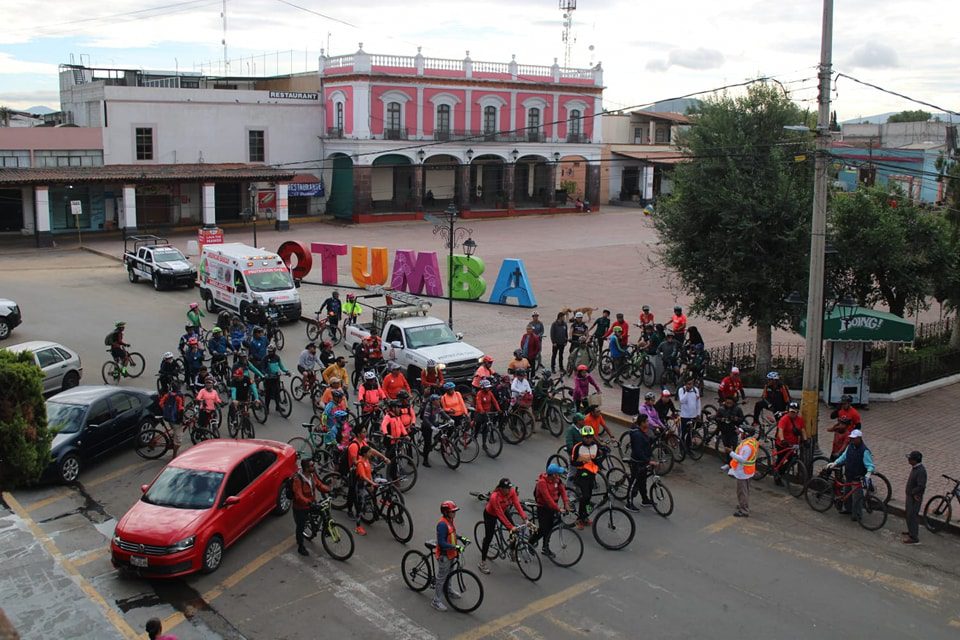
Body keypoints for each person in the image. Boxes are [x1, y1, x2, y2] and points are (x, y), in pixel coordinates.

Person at [478, 478, 527, 574]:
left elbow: (517, 504)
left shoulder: (511, 491)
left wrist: (525, 518)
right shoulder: (494, 497)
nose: (509, 490)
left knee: (514, 532)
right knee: (489, 538)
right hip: (491, 515)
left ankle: (512, 552)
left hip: (504, 511)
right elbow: (499, 514)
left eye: (510, 488)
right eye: (507, 488)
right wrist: (510, 527)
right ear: (501, 489)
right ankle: (482, 563)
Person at [826, 430, 875, 521]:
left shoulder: (865, 451)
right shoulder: (850, 447)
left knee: (857, 497)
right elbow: (844, 457)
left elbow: (870, 465)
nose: (852, 440)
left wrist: (868, 473)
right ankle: (848, 509)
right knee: (847, 493)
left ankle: (857, 514)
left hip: (857, 477)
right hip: (849, 474)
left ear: (859, 438)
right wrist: (835, 463)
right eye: (851, 438)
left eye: (854, 438)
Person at [528, 464, 570, 557]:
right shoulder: (542, 483)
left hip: (552, 507)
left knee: (549, 527)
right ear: (553, 475)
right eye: (558, 474)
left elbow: (562, 491)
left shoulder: (557, 481)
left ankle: (545, 547)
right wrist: (558, 509)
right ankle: (530, 543)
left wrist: (566, 503)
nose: (559, 476)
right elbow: (548, 499)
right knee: (543, 529)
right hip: (543, 507)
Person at [292, 458, 330, 556]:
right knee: (300, 527)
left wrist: (329, 490)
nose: (314, 467)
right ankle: (300, 546)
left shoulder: (312, 475)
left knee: (323, 511)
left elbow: (319, 485)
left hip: (311, 502)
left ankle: (324, 528)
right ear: (306, 468)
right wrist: (308, 502)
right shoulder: (298, 479)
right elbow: (298, 495)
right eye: (311, 466)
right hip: (300, 508)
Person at [433, 501, 466, 611]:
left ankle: (448, 589)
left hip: (451, 554)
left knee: (450, 574)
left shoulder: (450, 520)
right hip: (445, 556)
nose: (454, 513)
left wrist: (462, 538)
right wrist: (455, 547)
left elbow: (452, 533)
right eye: (453, 511)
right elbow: (441, 542)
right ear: (446, 512)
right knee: (441, 578)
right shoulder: (442, 524)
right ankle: (436, 601)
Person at [570, 426, 604, 529]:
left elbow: (597, 459)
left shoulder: (595, 446)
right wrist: (582, 462)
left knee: (589, 496)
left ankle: (585, 517)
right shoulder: (578, 447)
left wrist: (599, 464)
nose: (588, 439)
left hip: (592, 475)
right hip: (581, 475)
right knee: (585, 496)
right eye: (586, 437)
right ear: (582, 437)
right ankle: (579, 519)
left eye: (590, 437)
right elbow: (572, 462)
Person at [625, 414, 656, 511]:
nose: (648, 422)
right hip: (637, 463)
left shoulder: (644, 431)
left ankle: (645, 499)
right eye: (646, 421)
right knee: (634, 483)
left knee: (643, 481)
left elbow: (647, 442)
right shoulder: (637, 435)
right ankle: (629, 503)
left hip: (643, 462)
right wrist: (648, 461)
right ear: (642, 423)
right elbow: (638, 451)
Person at [729, 426, 759, 517]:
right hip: (748, 471)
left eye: (741, 432)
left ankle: (744, 510)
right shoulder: (752, 442)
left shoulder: (747, 446)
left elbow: (742, 459)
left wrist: (731, 453)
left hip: (743, 472)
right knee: (745, 490)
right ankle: (743, 504)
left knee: (742, 491)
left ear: (745, 434)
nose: (739, 433)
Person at [774, 402, 804, 482]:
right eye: (791, 411)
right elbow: (780, 430)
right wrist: (783, 440)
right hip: (782, 444)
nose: (792, 413)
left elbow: (802, 430)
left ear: (797, 412)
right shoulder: (784, 419)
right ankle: (777, 475)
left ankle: (780, 472)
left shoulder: (799, 420)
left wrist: (805, 439)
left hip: (792, 444)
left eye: (794, 412)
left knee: (793, 459)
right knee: (780, 459)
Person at [353, 445, 378, 535]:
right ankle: (358, 527)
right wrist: (371, 483)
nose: (371, 454)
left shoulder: (367, 460)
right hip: (360, 486)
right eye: (369, 452)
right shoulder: (360, 463)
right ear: (364, 453)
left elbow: (369, 473)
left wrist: (371, 482)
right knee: (360, 506)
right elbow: (363, 476)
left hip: (366, 484)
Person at [420, 394, 450, 468]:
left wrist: (449, 419)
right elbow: (425, 418)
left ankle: (435, 442)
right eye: (437, 400)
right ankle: (425, 460)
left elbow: (442, 412)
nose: (439, 401)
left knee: (442, 431)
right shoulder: (428, 407)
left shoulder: (437, 406)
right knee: (427, 443)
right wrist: (431, 426)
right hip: (427, 426)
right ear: (433, 401)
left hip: (434, 423)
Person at [903, 451, 926, 545]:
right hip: (910, 496)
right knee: (908, 514)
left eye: (910, 458)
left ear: (915, 460)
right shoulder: (915, 468)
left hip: (914, 497)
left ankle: (914, 536)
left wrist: (913, 493)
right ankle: (911, 531)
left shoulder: (921, 471)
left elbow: (921, 486)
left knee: (912, 515)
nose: (908, 460)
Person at [716, 395, 745, 470]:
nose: (728, 404)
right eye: (727, 403)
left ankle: (735, 464)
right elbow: (716, 418)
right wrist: (721, 419)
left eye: (730, 403)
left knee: (734, 448)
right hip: (724, 431)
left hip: (733, 432)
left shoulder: (738, 409)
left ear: (733, 403)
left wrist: (736, 419)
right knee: (727, 447)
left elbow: (742, 419)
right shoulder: (721, 409)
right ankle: (728, 463)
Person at [261, 345, 290, 416]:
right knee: (268, 394)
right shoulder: (265, 358)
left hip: (276, 378)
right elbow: (262, 369)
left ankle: (278, 407)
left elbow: (281, 366)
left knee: (277, 392)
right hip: (268, 379)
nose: (269, 353)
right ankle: (267, 408)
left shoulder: (277, 358)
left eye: (271, 351)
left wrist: (286, 371)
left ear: (274, 351)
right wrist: (265, 374)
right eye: (268, 351)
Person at [159, 383, 185, 457]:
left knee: (174, 429)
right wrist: (181, 418)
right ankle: (174, 455)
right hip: (175, 420)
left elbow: (161, 403)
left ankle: (173, 437)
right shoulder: (179, 396)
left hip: (167, 418)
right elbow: (181, 408)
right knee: (178, 440)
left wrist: (166, 410)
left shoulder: (168, 395)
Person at [677, 380, 700, 450]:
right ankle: (681, 448)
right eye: (688, 384)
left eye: (692, 384)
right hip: (684, 416)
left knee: (690, 432)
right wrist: (687, 392)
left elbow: (698, 402)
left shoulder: (696, 390)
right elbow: (682, 401)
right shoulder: (681, 390)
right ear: (685, 384)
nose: (690, 386)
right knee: (683, 432)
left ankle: (688, 447)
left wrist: (698, 413)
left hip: (693, 415)